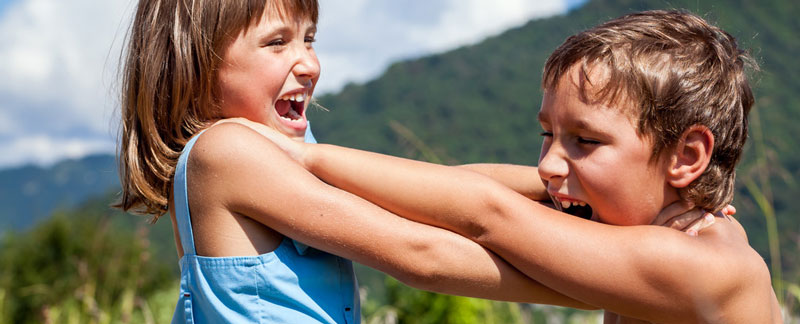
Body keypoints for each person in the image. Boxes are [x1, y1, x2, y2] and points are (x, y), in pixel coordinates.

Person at [115, 0, 723, 322]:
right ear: (192, 63)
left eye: (309, 38)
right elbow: (420, 252)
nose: (308, 63)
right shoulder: (229, 153)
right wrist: (600, 282)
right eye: (277, 42)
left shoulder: (279, 160)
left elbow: (454, 186)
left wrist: (585, 187)